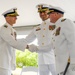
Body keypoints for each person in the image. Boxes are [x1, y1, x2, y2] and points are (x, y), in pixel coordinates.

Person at [25, 4, 56, 75]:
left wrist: (34, 48)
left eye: (44, 11)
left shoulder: (55, 25)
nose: (42, 14)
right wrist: (13, 42)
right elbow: (26, 40)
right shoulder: (37, 28)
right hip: (41, 59)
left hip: (54, 59)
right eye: (40, 12)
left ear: (49, 12)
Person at [0, 7, 30, 75]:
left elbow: (15, 42)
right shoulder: (4, 29)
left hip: (8, 62)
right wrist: (28, 47)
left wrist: (26, 41)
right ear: (7, 17)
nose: (16, 18)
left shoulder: (12, 30)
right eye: (14, 16)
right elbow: (12, 42)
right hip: (2, 63)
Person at [48, 5, 75, 75]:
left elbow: (73, 41)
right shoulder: (57, 27)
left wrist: (74, 61)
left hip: (69, 65)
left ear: (56, 14)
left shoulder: (66, 22)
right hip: (61, 66)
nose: (48, 16)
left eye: (49, 14)